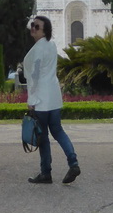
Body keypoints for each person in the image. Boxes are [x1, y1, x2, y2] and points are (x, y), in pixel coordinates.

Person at [23, 15, 80, 185]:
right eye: (32, 25)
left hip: (41, 98)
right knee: (58, 131)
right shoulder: (51, 44)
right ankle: (73, 162)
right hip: (53, 97)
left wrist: (31, 98)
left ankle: (45, 172)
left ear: (45, 30)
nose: (32, 28)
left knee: (43, 137)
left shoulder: (38, 49)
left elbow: (35, 75)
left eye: (37, 26)